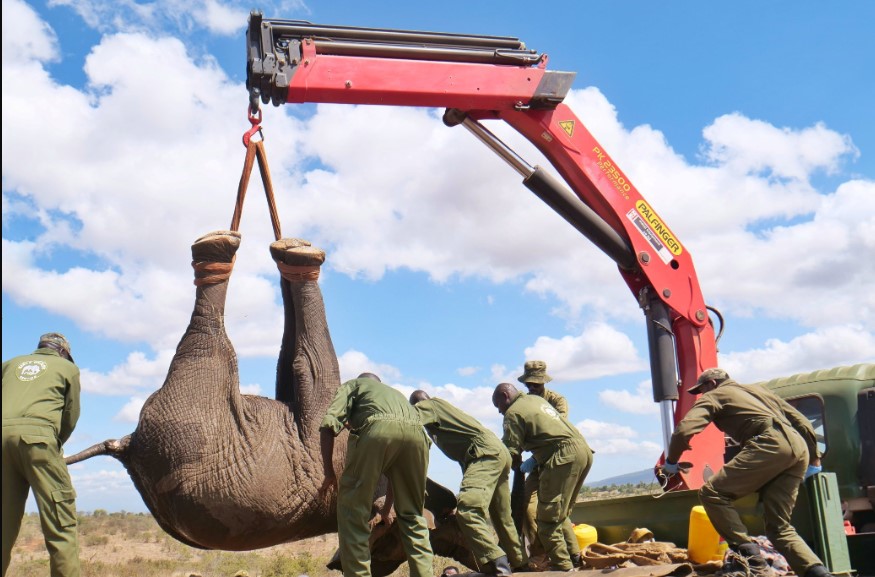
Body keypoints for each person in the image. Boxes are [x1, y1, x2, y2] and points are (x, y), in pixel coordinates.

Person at [663, 368, 833, 577]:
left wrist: (671, 461)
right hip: (798, 448)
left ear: (713, 384)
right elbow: (801, 421)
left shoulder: (716, 395)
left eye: (703, 389)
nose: (702, 394)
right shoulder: (758, 390)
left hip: (769, 444)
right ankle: (819, 573)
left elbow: (684, 429)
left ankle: (752, 560)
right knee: (779, 527)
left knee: (712, 493)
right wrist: (814, 458)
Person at [318, 373, 433, 577]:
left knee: (353, 513)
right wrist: (387, 508)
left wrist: (328, 472)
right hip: (418, 438)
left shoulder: (354, 385)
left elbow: (328, 426)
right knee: (413, 516)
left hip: (377, 430)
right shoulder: (394, 394)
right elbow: (394, 475)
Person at [410, 390, 526, 576]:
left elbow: (409, 418)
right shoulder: (441, 424)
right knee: (501, 515)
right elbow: (465, 458)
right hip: (494, 454)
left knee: (468, 509)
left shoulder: (430, 406)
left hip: (485, 454)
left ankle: (498, 567)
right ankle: (519, 562)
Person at [2, 332, 81, 577]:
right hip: (39, 441)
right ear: (63, 352)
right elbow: (70, 416)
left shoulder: (8, 364)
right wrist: (53, 445)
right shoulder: (68, 369)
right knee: (61, 526)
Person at [492, 382, 592, 572]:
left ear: (505, 396)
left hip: (562, 457)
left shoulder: (513, 413)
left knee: (546, 521)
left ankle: (563, 568)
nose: (499, 411)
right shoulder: (535, 401)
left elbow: (509, 452)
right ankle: (576, 558)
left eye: (498, 406)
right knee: (560, 516)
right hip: (583, 451)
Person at [516, 361, 568, 567]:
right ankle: (538, 551)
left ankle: (558, 555)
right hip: (538, 460)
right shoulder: (525, 403)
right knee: (527, 506)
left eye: (536, 384)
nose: (532, 388)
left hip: (558, 458)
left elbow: (559, 430)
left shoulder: (557, 401)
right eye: (529, 384)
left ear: (544, 382)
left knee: (554, 508)